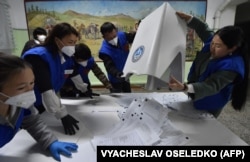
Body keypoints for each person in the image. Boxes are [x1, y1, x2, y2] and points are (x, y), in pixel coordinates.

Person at [168, 12, 249, 118]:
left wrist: (185, 87)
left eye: (218, 46)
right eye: (212, 43)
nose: (212, 47)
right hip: (196, 92)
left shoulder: (232, 67)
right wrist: (190, 19)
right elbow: (203, 28)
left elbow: (211, 86)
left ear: (232, 48)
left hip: (212, 100)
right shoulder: (216, 42)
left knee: (204, 124)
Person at [0, 53, 78, 161]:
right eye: (21, 87)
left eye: (32, 83)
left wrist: (50, 141)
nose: (29, 91)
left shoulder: (19, 103)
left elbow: (32, 121)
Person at [22, 22, 88, 135]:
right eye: (70, 42)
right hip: (27, 104)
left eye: (75, 43)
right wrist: (62, 115)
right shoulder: (38, 57)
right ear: (57, 40)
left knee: (44, 123)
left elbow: (72, 72)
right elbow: (46, 90)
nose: (73, 47)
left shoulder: (64, 56)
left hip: (44, 104)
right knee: (25, 135)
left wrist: (84, 88)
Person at [99, 22, 136, 93]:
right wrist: (117, 73)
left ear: (116, 31)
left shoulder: (123, 35)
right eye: (110, 38)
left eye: (114, 36)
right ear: (104, 37)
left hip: (126, 75)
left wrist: (140, 29)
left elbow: (133, 37)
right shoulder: (104, 51)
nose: (113, 39)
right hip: (115, 79)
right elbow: (110, 67)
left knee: (128, 95)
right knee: (117, 99)